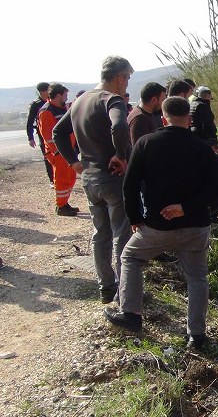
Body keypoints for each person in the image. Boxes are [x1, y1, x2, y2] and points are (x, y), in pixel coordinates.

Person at [104, 96, 218, 350]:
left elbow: (129, 186)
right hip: (196, 227)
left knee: (131, 257)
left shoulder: (146, 143)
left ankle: (131, 314)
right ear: (189, 120)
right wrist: (185, 208)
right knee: (196, 278)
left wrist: (136, 219)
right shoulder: (202, 147)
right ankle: (197, 335)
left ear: (163, 117)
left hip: (158, 227)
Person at [53, 55, 134, 304]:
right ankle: (125, 290)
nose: (128, 84)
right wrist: (122, 156)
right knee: (122, 235)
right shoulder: (113, 100)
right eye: (128, 79)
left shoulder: (80, 101)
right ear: (119, 78)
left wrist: (74, 161)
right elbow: (119, 127)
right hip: (113, 177)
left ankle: (106, 287)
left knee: (101, 234)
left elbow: (59, 132)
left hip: (89, 178)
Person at [37, 83, 78, 216]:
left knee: (70, 177)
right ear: (58, 95)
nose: (66, 98)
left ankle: (64, 203)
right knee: (62, 179)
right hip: (59, 152)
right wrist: (57, 151)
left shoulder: (59, 108)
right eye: (65, 95)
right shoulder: (47, 111)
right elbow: (48, 136)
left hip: (66, 150)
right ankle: (60, 206)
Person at [26, 82, 54, 186]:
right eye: (49, 89)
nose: (50, 91)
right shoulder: (36, 104)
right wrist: (30, 137)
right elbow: (30, 121)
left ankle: (60, 175)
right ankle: (52, 179)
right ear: (43, 91)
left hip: (54, 132)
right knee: (47, 156)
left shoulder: (52, 101)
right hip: (42, 133)